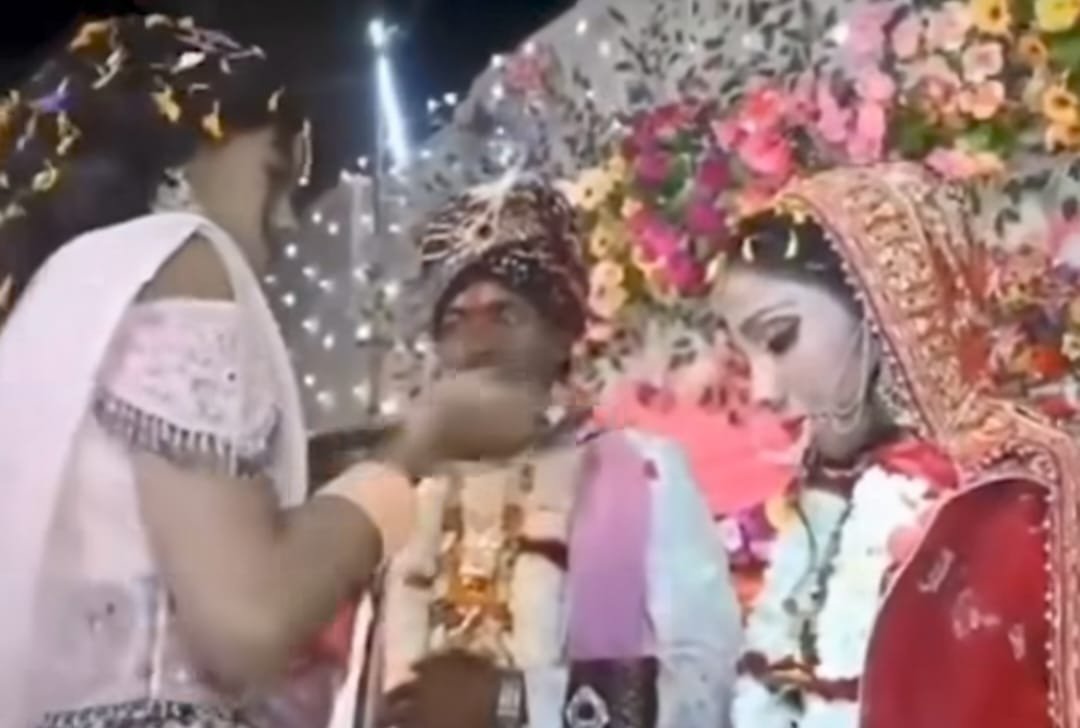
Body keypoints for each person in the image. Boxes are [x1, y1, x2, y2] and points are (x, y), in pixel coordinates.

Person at [0, 15, 537, 728]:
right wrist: (417, 444)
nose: (286, 223)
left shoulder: (50, 304)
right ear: (183, 148)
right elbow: (247, 623)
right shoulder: (180, 252)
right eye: (275, 176)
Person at [339, 178, 741, 728]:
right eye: (455, 319)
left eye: (504, 314)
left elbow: (708, 688)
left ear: (559, 337)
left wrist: (513, 701)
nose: (478, 340)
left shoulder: (642, 473)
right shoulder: (409, 497)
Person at [714, 161, 1069, 728]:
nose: (763, 391)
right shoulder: (829, 503)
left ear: (883, 309)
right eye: (744, 356)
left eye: (779, 339)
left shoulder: (1018, 504)